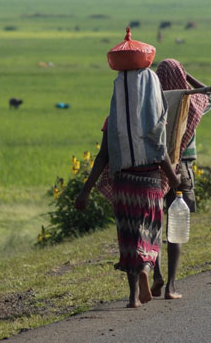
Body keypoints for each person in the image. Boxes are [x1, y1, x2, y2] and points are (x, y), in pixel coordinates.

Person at [75, 68, 180, 309]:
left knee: (128, 237)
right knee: (150, 233)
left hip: (123, 185)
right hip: (150, 182)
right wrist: (173, 180)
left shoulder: (113, 118)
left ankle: (133, 297)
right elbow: (161, 151)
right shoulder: (153, 115)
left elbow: (103, 156)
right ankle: (146, 268)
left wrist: (86, 191)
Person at [150, 59, 211, 300]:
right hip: (182, 171)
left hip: (157, 170)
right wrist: (187, 79)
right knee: (175, 227)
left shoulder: (154, 102)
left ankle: (156, 273)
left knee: (155, 225)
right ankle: (171, 286)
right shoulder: (193, 100)